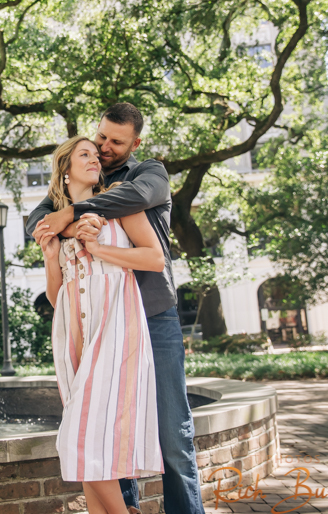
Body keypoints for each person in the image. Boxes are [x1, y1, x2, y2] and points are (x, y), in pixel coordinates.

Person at [28, 103, 206, 514]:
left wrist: (74, 214)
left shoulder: (147, 174)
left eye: (115, 142)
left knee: (171, 434)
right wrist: (68, 226)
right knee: (105, 433)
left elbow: (138, 199)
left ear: (135, 143)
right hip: (98, 321)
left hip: (151, 314)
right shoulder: (85, 176)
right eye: (100, 137)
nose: (104, 148)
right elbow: (40, 218)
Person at [40, 135, 164, 514]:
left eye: (96, 155)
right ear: (65, 171)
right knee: (87, 449)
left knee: (81, 441)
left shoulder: (119, 202)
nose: (95, 159)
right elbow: (54, 295)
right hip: (73, 333)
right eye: (85, 155)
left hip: (115, 324)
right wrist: (49, 255)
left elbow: (154, 258)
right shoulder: (56, 224)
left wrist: (98, 249)